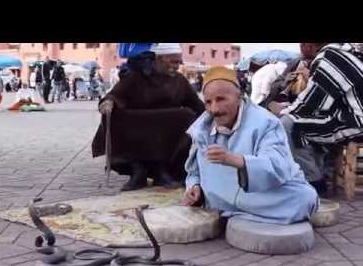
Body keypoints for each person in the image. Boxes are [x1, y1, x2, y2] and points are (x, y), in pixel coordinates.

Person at [183, 66, 318, 224]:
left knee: (304, 199)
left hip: (256, 194)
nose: (214, 109)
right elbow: (194, 172)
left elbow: (277, 165)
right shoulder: (202, 129)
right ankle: (236, 212)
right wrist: (195, 187)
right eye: (208, 102)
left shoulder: (266, 123)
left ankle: (230, 213)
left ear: (239, 97)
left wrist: (236, 160)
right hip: (218, 194)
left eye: (221, 99)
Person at [92, 43, 206, 191]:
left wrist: (215, 114)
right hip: (139, 126)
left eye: (179, 62)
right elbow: (115, 95)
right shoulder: (136, 76)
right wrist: (108, 102)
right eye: (173, 62)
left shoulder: (179, 81)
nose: (177, 66)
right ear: (158, 59)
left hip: (166, 129)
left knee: (187, 117)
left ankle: (162, 170)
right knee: (113, 115)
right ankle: (137, 170)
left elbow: (197, 106)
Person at [274, 43, 363, 195]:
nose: (300, 48)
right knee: (307, 123)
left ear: (309, 45)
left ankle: (314, 183)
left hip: (355, 122)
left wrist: (282, 112)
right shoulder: (339, 53)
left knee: (288, 124)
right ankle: (320, 173)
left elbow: (311, 104)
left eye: (302, 44)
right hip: (349, 117)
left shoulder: (330, 58)